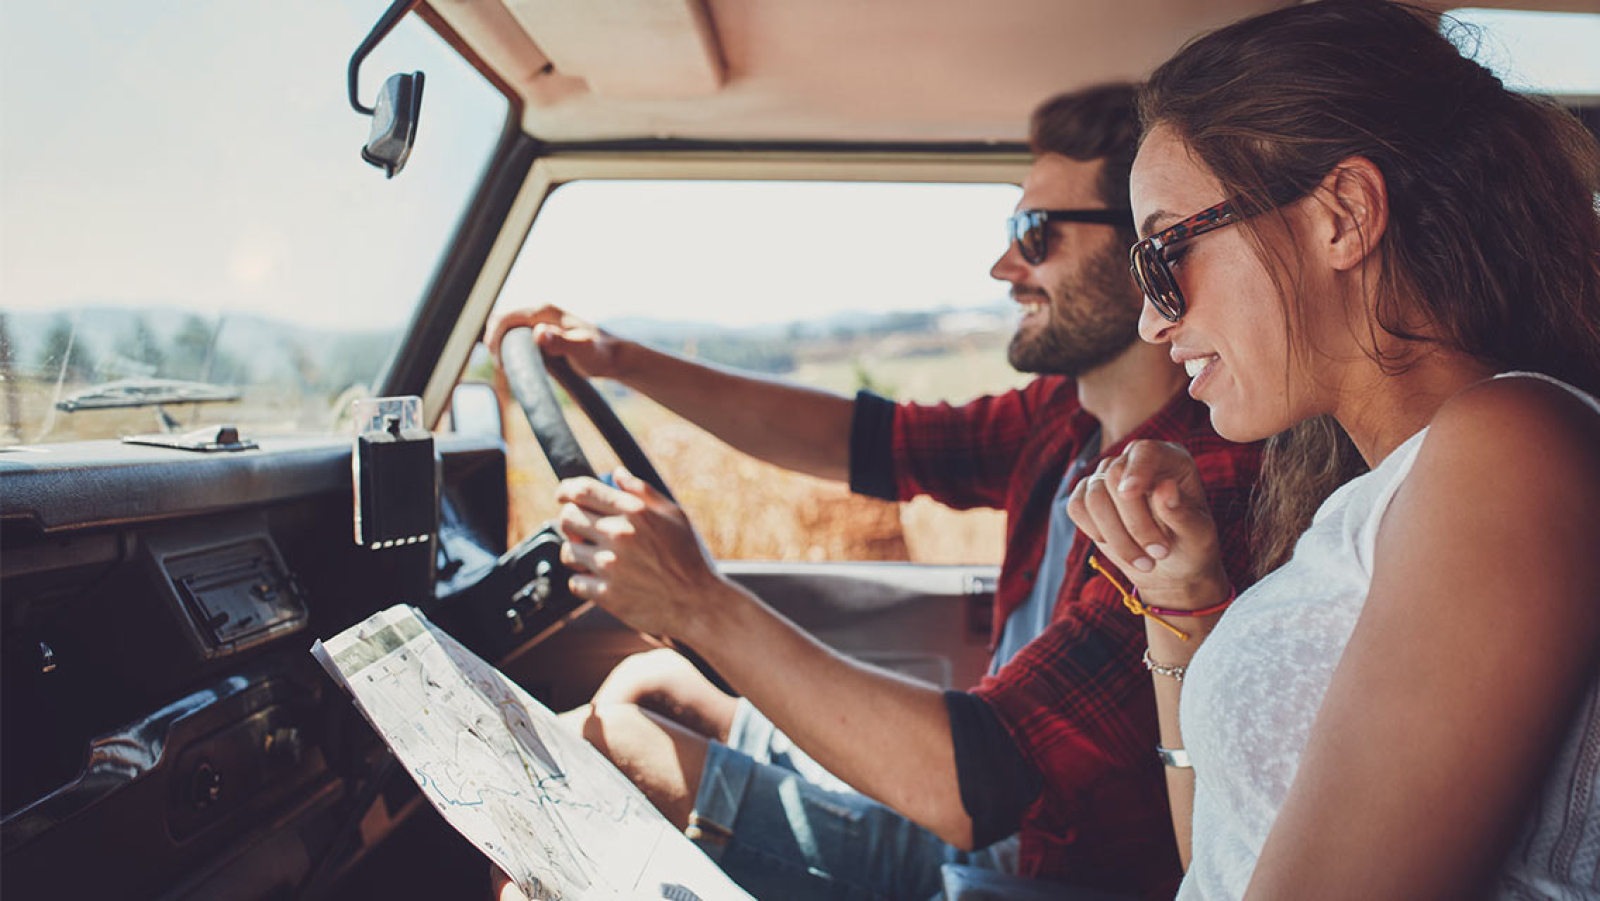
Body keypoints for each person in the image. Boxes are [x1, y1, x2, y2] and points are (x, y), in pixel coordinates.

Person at [494, 84, 1263, 900]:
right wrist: (620, 360)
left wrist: (696, 600)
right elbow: (853, 439)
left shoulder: (1190, 482)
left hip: (1030, 868)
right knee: (645, 690)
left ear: (1142, 250)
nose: (1004, 265)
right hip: (982, 829)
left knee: (599, 755)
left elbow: (985, 786)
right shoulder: (1065, 421)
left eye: (1033, 233)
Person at [1065, 2, 1600, 898]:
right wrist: (1182, 599)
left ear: (1343, 215)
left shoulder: (1508, 449)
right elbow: (1224, 857)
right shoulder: (1389, 490)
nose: (1154, 320)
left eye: (1165, 254)